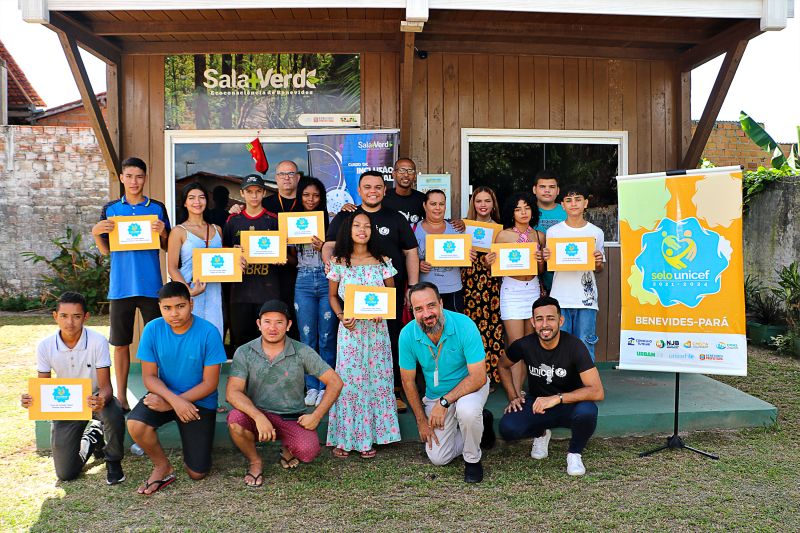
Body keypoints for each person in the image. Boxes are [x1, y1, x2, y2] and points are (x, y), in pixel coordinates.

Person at [323, 171, 420, 412]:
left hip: (386, 300)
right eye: (367, 187)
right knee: (352, 362)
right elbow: (329, 246)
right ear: (359, 190)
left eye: (378, 187)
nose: (373, 191)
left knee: (392, 343)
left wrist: (413, 288)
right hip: (351, 315)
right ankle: (351, 405)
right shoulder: (346, 216)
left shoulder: (395, 218)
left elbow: (410, 252)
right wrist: (330, 265)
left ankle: (393, 391)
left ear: (385, 190)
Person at [226, 300, 343, 486]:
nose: (272, 328)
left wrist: (316, 416)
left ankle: (287, 449)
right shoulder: (245, 351)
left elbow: (335, 382)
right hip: (258, 414)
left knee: (308, 451)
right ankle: (255, 462)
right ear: (258, 324)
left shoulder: (302, 351)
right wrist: (258, 416)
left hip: (291, 416)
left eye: (279, 322)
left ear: (288, 325)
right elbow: (233, 392)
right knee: (235, 420)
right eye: (267, 322)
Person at [126, 282, 227, 495]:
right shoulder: (152, 329)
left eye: (180, 306)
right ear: (160, 307)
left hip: (199, 401)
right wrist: (173, 401)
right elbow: (149, 377)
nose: (174, 314)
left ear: (191, 304)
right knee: (135, 424)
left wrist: (174, 403)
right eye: (167, 308)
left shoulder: (208, 332)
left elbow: (210, 383)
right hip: (165, 395)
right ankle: (162, 466)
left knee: (197, 473)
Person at [20, 292, 126, 485]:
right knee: (66, 473)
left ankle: (113, 461)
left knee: (113, 413)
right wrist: (31, 399)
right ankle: (93, 436)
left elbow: (106, 387)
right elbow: (43, 387)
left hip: (94, 397)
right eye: (64, 316)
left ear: (86, 317)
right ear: (55, 316)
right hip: (66, 404)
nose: (70, 323)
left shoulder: (97, 341)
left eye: (76, 316)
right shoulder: (45, 346)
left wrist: (101, 399)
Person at [91, 156, 170, 412]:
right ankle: (122, 397)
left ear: (145, 178)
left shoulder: (157, 208)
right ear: (122, 178)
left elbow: (167, 246)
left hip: (152, 287)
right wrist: (96, 233)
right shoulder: (111, 209)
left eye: (139, 176)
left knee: (157, 343)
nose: (134, 181)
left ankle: (157, 395)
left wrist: (163, 232)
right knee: (121, 343)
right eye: (129, 176)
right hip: (121, 287)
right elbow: (106, 250)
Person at [399, 282, 494, 483]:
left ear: (441, 303)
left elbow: (478, 377)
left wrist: (444, 402)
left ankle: (472, 459)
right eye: (419, 309)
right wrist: (421, 421)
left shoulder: (464, 324)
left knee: (467, 410)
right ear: (412, 311)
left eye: (431, 305)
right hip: (436, 395)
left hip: (469, 388)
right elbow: (407, 381)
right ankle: (480, 428)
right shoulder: (407, 334)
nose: (427, 314)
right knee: (439, 458)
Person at [498, 296, 604, 476]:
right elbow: (502, 365)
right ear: (533, 322)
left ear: (560, 321)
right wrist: (513, 396)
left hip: (570, 404)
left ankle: (574, 453)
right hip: (538, 404)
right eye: (539, 319)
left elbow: (597, 391)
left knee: (588, 412)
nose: (545, 324)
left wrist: (557, 398)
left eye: (550, 318)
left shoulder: (575, 346)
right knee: (508, 428)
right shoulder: (525, 345)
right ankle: (541, 434)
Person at [326, 212, 401, 458]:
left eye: (367, 226)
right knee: (350, 382)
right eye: (357, 225)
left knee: (376, 381)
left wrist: (384, 311)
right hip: (351, 331)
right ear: (348, 230)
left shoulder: (383, 260)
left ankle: (374, 436)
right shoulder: (339, 261)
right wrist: (341, 316)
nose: (362, 230)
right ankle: (346, 437)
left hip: (377, 332)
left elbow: (391, 295)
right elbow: (332, 296)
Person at [542, 184, 605, 360]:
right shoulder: (553, 232)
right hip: (560, 298)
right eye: (569, 200)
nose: (573, 204)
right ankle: (562, 377)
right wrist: (546, 258)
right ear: (563, 205)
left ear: (586, 203)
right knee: (560, 346)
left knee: (585, 345)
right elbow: (549, 265)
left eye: (578, 199)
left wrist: (598, 262)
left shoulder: (596, 232)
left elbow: (599, 268)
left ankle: (587, 378)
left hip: (586, 300)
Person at [222, 174, 284, 352]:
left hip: (268, 291)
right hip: (240, 293)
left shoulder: (274, 220)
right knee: (241, 344)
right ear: (242, 193)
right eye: (249, 192)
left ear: (264, 193)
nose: (254, 195)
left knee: (269, 343)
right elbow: (223, 253)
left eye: (258, 191)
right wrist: (233, 253)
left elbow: (287, 255)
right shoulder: (233, 220)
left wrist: (281, 258)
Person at [494, 191, 546, 398]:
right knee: (517, 345)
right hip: (512, 290)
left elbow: (541, 270)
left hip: (532, 289)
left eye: (527, 208)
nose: (523, 212)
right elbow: (496, 268)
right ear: (511, 213)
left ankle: (521, 389)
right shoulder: (504, 235)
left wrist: (541, 260)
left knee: (530, 344)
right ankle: (514, 394)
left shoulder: (539, 236)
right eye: (518, 209)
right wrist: (490, 261)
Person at [293, 177, 338, 408]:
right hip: (302, 281)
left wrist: (324, 248)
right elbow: (288, 255)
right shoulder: (292, 221)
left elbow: (341, 254)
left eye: (316, 195)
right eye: (306, 195)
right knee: (307, 337)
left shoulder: (332, 221)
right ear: (300, 196)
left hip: (327, 279)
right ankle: (311, 386)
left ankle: (326, 386)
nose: (311, 200)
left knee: (327, 338)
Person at [167, 182, 223, 339]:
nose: (197, 202)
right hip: (189, 289)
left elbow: (225, 261)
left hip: (213, 291)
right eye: (191, 198)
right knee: (190, 336)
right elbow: (172, 267)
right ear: (185, 203)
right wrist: (187, 291)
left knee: (214, 334)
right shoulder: (178, 231)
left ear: (207, 201)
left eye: (201, 197)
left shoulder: (217, 229)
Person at [462, 186, 506, 385]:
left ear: (493, 204)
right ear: (473, 204)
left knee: (490, 328)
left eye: (487, 201)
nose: (483, 205)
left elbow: (507, 263)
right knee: (470, 330)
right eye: (478, 201)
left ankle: (489, 377)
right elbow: (450, 255)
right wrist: (464, 254)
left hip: (490, 286)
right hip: (468, 285)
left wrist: (493, 261)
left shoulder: (500, 231)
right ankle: (471, 376)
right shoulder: (462, 227)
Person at [414, 189, 465, 312]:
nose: (438, 208)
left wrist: (469, 255)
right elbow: (404, 257)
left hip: (452, 289)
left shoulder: (457, 229)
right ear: (424, 205)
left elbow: (465, 257)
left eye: (441, 204)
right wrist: (417, 264)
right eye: (433, 204)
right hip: (424, 291)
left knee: (453, 323)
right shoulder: (413, 229)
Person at [532, 169, 567, 293]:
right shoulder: (526, 211)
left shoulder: (567, 211)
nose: (547, 190)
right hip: (534, 278)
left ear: (558, 191)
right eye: (542, 187)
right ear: (534, 189)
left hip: (564, 276)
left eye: (551, 187)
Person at [383, 158, 427, 224]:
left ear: (415, 175)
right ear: (394, 174)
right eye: (401, 170)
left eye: (410, 171)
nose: (406, 174)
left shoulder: (422, 199)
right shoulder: (383, 197)